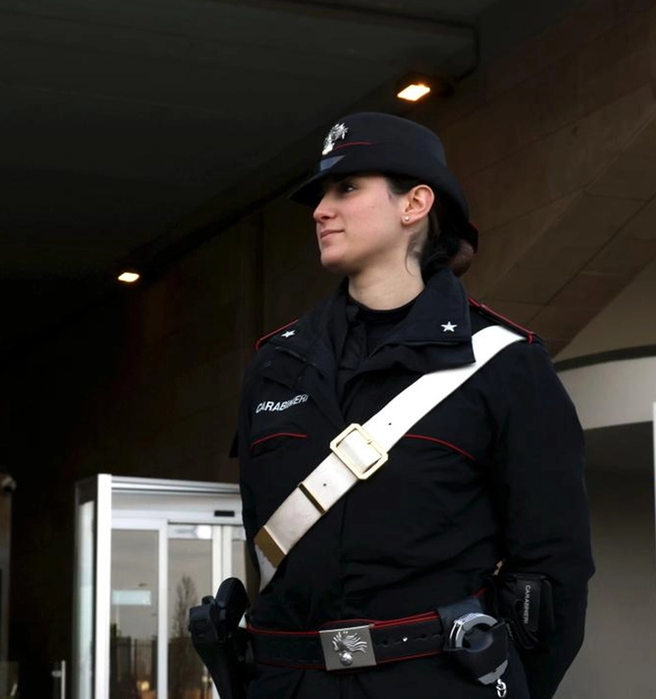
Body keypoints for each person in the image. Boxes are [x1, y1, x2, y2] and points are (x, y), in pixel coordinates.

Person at [234, 112, 593, 699]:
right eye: (321, 195)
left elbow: (554, 571)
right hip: (289, 684)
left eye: (346, 188)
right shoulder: (275, 365)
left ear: (415, 204)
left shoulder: (504, 363)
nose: (322, 210)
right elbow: (261, 536)